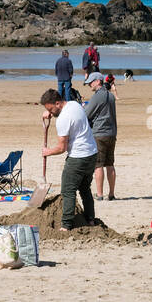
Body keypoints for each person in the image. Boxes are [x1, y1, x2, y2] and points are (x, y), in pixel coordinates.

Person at [39, 88, 99, 230]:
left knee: (68, 190)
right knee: (85, 189)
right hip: (92, 153)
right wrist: (51, 114)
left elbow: (62, 148)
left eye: (51, 109)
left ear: (58, 103)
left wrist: (47, 152)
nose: (51, 112)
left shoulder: (63, 120)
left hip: (78, 157)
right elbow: (61, 114)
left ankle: (66, 225)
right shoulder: (74, 105)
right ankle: (90, 219)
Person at [84, 71, 117, 200]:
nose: (89, 85)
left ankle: (99, 194)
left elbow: (86, 114)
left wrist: (82, 107)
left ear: (98, 81)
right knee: (110, 164)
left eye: (90, 83)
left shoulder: (98, 96)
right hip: (111, 133)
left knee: (98, 165)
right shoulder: (110, 95)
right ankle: (111, 194)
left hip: (99, 133)